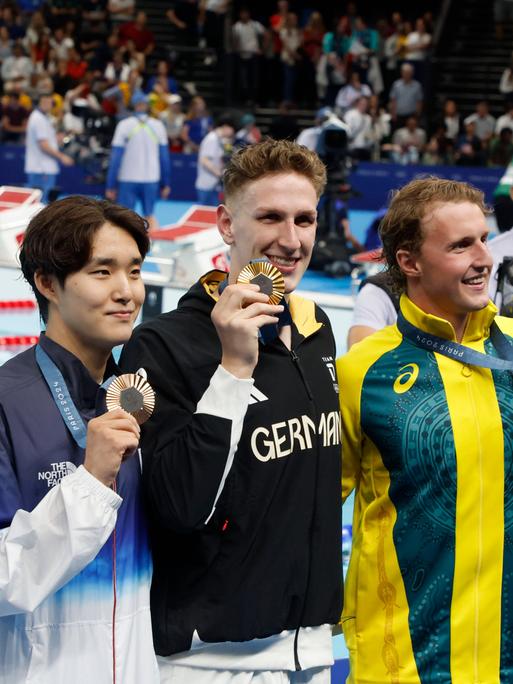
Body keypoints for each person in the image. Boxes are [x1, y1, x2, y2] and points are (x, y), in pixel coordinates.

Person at [120, 139, 342, 683]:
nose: (291, 240)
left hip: (308, 650)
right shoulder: (164, 344)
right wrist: (233, 369)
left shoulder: (315, 333)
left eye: (304, 219)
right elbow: (178, 505)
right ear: (226, 223)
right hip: (210, 659)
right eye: (270, 217)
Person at [338, 177, 513, 683]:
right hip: (404, 664)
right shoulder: (362, 373)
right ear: (410, 262)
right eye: (461, 245)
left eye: (483, 238)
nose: (484, 257)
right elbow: (313, 514)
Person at [0, 196, 159, 683]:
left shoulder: (142, 394)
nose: (127, 292)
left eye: (133, 271)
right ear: (47, 283)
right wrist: (90, 480)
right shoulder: (7, 399)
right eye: (102, 271)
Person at [106, 91, 171, 231]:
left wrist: (111, 184)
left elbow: (115, 158)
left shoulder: (124, 125)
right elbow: (164, 158)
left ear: (133, 106)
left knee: (124, 218)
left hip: (128, 178)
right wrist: (165, 183)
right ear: (147, 105)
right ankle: (154, 248)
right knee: (150, 216)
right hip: (151, 179)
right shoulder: (158, 126)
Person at [24, 92, 74, 203]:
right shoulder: (38, 118)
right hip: (41, 169)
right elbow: (44, 145)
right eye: (44, 102)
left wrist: (58, 138)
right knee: (38, 205)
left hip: (44, 168)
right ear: (38, 103)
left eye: (49, 102)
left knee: (43, 204)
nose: (48, 104)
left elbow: (48, 140)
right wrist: (62, 157)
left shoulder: (44, 118)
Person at [194, 113, 235, 206]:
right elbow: (204, 160)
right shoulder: (212, 139)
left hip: (213, 185)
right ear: (226, 126)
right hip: (206, 185)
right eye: (233, 130)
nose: (233, 133)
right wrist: (220, 174)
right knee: (204, 215)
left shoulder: (219, 139)